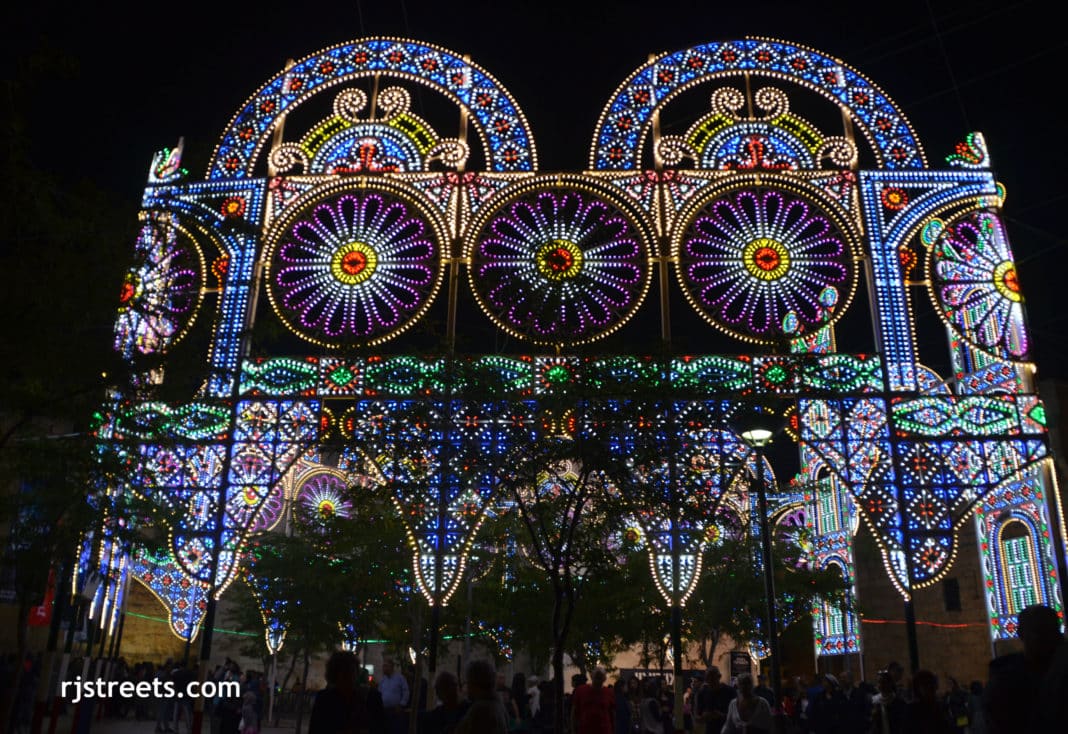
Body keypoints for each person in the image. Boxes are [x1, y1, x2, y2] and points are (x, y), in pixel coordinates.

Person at [984, 603, 1064, 733]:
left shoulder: (1005, 677)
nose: (1044, 638)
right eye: (1039, 631)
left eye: (1048, 630)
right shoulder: (1007, 679)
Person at [308, 651, 368, 734]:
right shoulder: (324, 699)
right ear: (335, 674)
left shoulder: (369, 698)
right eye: (343, 672)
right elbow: (316, 729)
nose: (348, 675)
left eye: (350, 670)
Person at [454, 660, 508, 734]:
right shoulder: (497, 706)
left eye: (468, 682)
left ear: (475, 683)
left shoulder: (481, 710)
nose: (467, 687)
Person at [570, 666, 614, 734]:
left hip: (604, 730)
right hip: (585, 730)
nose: (598, 680)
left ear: (604, 678)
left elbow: (613, 714)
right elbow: (574, 712)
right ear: (592, 676)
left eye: (600, 677)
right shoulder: (581, 690)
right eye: (597, 677)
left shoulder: (609, 692)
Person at [692, 667, 732, 734]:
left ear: (719, 677)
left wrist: (721, 715)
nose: (710, 681)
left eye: (712, 679)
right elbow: (697, 717)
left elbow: (737, 715)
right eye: (708, 679)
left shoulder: (729, 692)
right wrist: (704, 717)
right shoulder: (702, 693)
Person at [378, 658, 409, 734]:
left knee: (396, 730)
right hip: (384, 711)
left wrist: (402, 704)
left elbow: (406, 691)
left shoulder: (400, 678)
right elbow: (379, 693)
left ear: (391, 667)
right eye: (383, 666)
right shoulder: (382, 680)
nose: (384, 668)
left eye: (386, 666)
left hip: (396, 710)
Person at [870, 670, 905, 734]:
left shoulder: (899, 703)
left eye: (884, 682)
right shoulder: (874, 702)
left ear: (890, 683)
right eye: (879, 682)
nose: (881, 685)